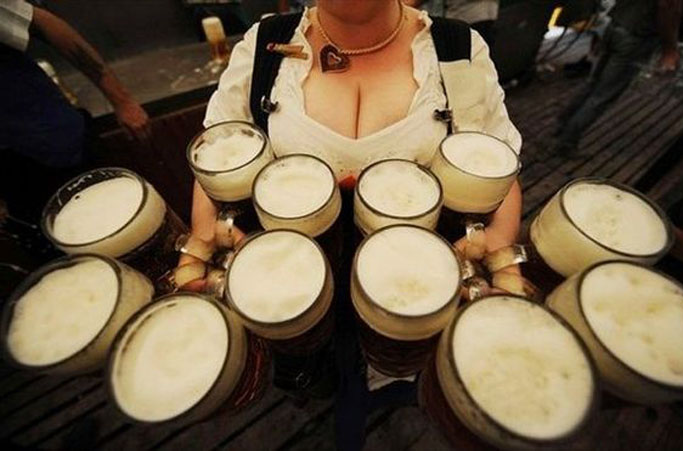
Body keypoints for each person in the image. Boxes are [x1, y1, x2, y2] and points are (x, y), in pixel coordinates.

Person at [186, 1, 521, 449]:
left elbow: (499, 163)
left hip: (409, 282)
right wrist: (204, 241)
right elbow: (216, 151)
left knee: (397, 370)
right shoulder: (265, 44)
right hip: (293, 277)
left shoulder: (456, 47)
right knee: (322, 372)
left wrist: (497, 252)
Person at [0, 0, 150, 222]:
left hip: (51, 138)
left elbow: (42, 22)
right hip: (9, 171)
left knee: (114, 216)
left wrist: (123, 101)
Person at [553, 0, 683, 155]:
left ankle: (562, 126)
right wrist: (670, 49)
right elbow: (669, 6)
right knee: (603, 95)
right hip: (636, 36)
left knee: (593, 84)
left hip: (615, 26)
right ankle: (567, 142)